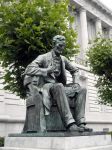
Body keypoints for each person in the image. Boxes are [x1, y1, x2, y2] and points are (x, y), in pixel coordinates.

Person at [23, 35, 92, 132]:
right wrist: (46, 70)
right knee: (59, 86)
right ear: (53, 44)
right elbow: (29, 69)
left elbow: (75, 70)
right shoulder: (43, 57)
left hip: (60, 88)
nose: (61, 48)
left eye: (63, 46)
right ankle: (70, 123)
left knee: (82, 89)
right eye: (59, 46)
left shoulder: (63, 59)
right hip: (47, 87)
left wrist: (75, 82)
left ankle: (81, 123)